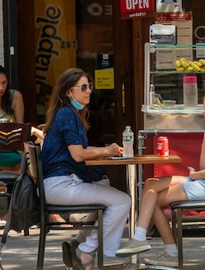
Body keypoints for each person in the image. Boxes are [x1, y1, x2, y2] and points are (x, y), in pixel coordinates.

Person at [116, 88, 205, 267]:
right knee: (150, 184)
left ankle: (156, 245)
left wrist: (193, 174)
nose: (203, 111)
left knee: (153, 198)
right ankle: (142, 239)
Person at [40, 68, 129, 270]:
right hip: (60, 185)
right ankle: (85, 251)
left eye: (89, 86)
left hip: (57, 184)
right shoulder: (66, 115)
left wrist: (106, 152)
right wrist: (106, 149)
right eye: (83, 87)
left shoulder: (68, 113)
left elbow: (80, 150)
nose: (88, 90)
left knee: (107, 195)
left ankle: (78, 244)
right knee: (122, 201)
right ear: (68, 92)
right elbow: (78, 154)